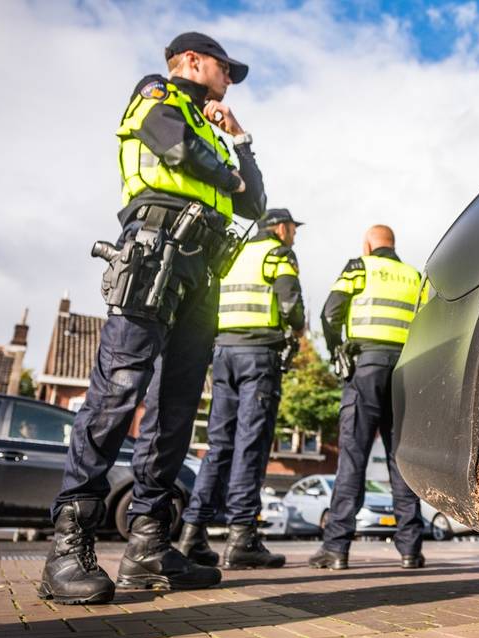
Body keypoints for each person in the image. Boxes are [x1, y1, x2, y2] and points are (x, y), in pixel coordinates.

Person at [39, 31, 266, 604]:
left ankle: (148, 544)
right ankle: (67, 547)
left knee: (175, 408)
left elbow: (254, 205)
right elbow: (175, 149)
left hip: (199, 267)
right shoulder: (157, 94)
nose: (229, 79)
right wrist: (227, 170)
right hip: (154, 250)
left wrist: (241, 142)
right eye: (224, 68)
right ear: (191, 61)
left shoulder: (211, 125)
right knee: (117, 391)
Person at [176, 208, 305, 570]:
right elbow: (290, 301)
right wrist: (297, 327)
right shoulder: (278, 253)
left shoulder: (235, 254)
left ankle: (192, 533)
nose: (294, 235)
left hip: (224, 354)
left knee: (219, 445)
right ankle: (242, 537)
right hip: (257, 356)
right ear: (280, 228)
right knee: (251, 442)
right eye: (293, 228)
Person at [309, 225, 427, 570]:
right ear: (394, 244)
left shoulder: (359, 267)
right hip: (405, 369)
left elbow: (330, 313)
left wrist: (337, 350)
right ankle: (410, 550)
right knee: (399, 459)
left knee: (353, 455)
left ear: (368, 245)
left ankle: (336, 549)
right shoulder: (414, 276)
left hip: (366, 366)